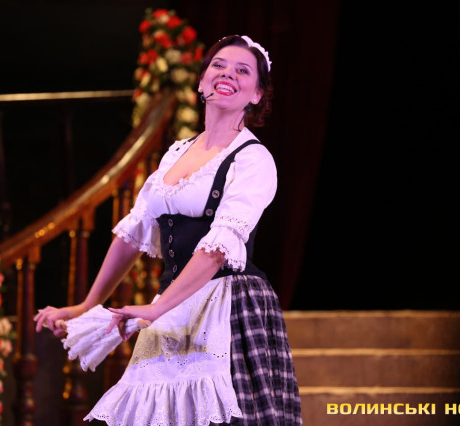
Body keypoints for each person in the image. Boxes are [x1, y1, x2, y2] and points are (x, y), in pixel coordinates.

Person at [34, 34, 302, 425]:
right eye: (218, 65)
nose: (227, 73)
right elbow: (132, 234)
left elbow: (217, 250)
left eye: (242, 71)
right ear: (202, 80)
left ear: (257, 94)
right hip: (173, 307)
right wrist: (86, 305)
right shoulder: (176, 153)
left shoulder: (253, 159)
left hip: (227, 305)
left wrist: (158, 308)